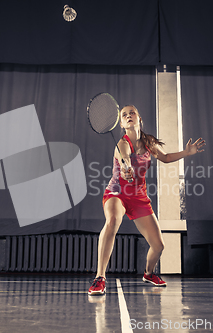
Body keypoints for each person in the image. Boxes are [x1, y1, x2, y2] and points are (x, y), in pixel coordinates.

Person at [88, 105, 205, 295]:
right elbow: (125, 157)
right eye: (124, 115)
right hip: (117, 192)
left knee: (158, 245)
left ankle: (149, 274)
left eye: (131, 113)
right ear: (122, 124)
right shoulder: (122, 144)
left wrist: (186, 153)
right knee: (112, 221)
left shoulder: (149, 142)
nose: (128, 116)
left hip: (138, 197)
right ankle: (99, 278)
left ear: (139, 118)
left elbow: (165, 157)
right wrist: (126, 168)